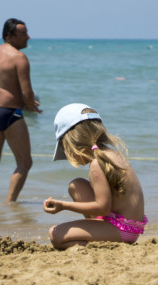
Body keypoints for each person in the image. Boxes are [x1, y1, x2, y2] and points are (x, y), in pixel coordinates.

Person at [44, 103, 147, 250]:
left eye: (65, 148)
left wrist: (63, 206)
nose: (67, 154)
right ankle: (98, 233)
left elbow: (103, 208)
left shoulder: (97, 164)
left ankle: (97, 243)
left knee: (56, 234)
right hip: (128, 226)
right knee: (76, 185)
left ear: (73, 141)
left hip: (122, 230)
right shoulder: (110, 154)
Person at [0, 18, 41, 206]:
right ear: (9, 36)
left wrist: (25, 101)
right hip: (8, 113)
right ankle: (10, 204)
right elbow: (26, 91)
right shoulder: (19, 57)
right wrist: (31, 106)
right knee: (25, 163)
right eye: (23, 34)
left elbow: (1, 84)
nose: (28, 37)